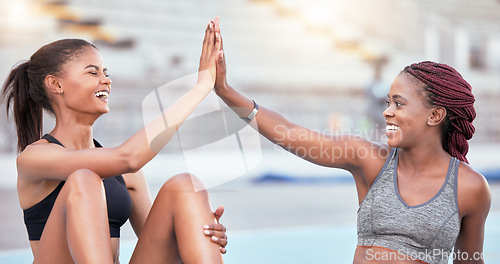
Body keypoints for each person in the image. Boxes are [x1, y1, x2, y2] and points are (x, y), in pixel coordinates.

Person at [212, 18, 491, 264]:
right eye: (387, 102)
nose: (387, 111)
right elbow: (289, 133)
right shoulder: (369, 159)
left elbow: (469, 261)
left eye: (399, 104)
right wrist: (225, 91)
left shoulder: (470, 187)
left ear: (435, 115)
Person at [1, 20, 227, 263]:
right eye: (93, 72)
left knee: (185, 186)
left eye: (105, 73)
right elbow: (128, 157)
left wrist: (197, 228)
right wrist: (200, 88)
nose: (106, 80)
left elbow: (164, 241)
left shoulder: (129, 177)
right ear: (56, 84)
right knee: (84, 178)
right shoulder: (34, 158)